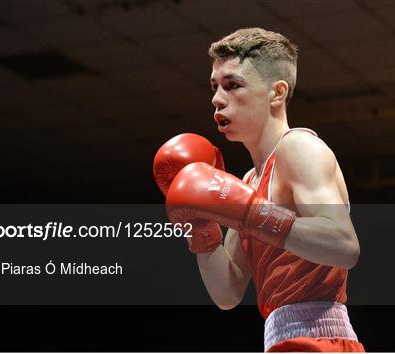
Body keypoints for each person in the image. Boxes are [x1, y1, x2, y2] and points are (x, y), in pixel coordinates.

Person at [154, 28, 364, 352]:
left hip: (323, 340)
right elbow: (227, 293)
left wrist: (253, 214)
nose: (217, 98)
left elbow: (344, 244)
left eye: (232, 85)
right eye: (215, 87)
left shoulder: (299, 147)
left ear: (277, 93)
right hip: (280, 340)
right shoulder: (249, 182)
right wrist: (201, 226)